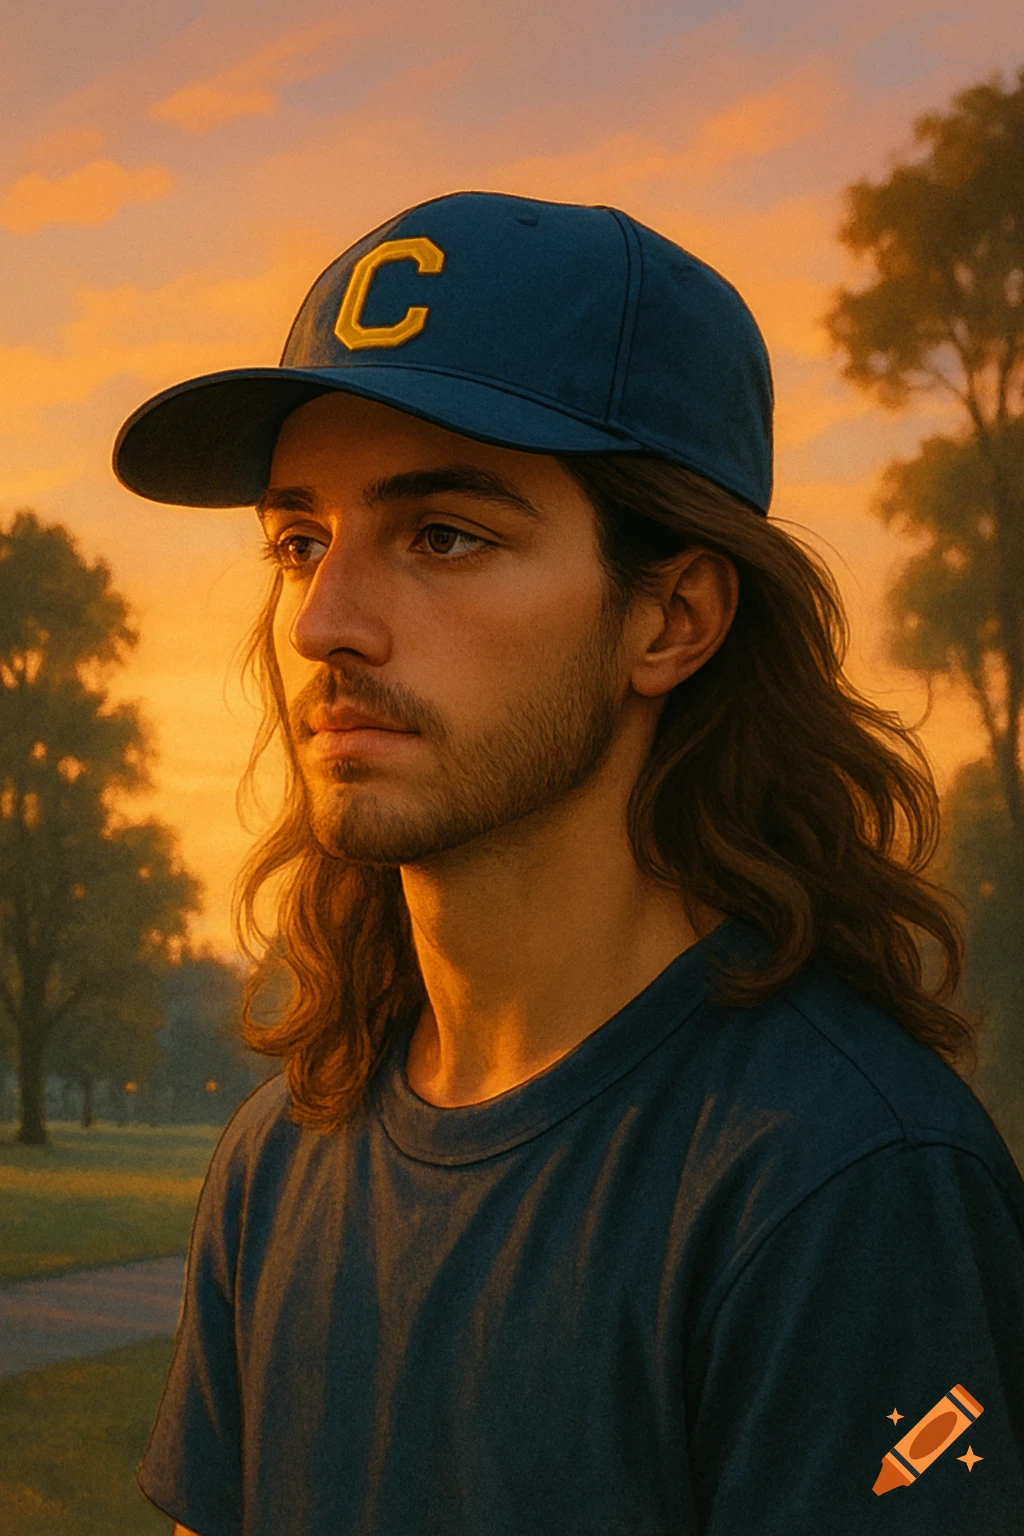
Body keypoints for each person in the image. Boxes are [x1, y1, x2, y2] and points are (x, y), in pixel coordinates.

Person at [115, 190, 1024, 1535]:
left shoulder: (846, 1183)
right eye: (301, 538)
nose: (322, 620)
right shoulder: (277, 1162)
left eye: (442, 537)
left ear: (672, 618)